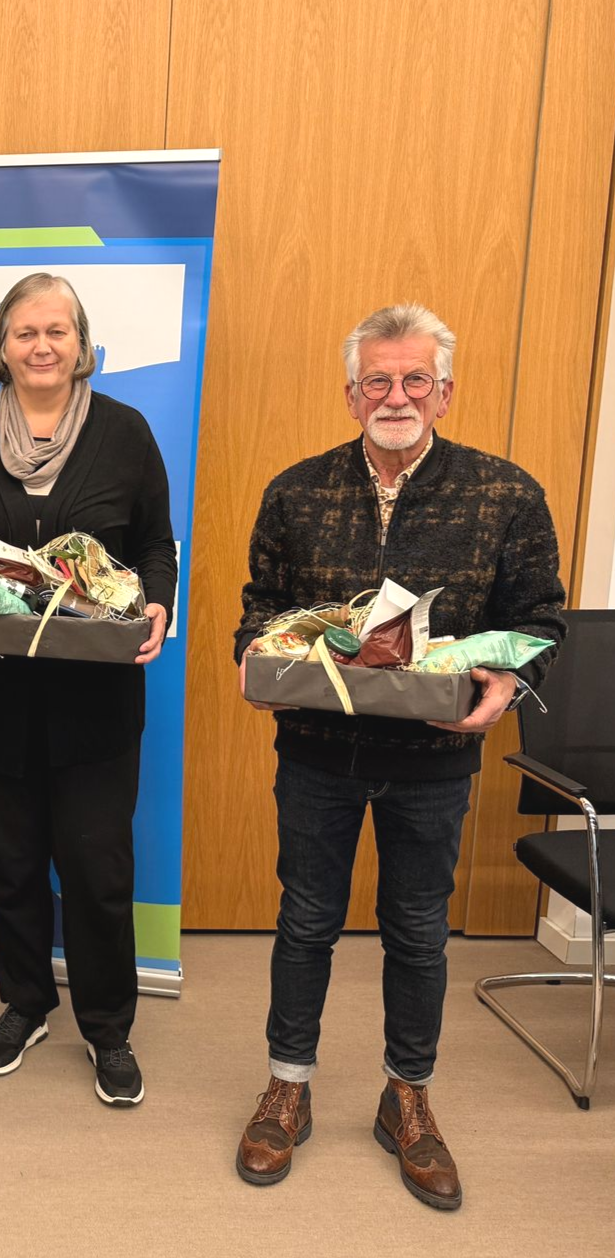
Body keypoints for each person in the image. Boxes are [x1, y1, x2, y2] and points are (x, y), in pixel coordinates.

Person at [232, 303, 565, 1210]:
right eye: (375, 380)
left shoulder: (505, 494)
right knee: (305, 919)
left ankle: (406, 1096)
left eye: (414, 379)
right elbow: (258, 606)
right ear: (350, 394)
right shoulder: (295, 491)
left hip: (432, 758)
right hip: (315, 749)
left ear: (443, 392)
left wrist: (507, 684)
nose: (395, 396)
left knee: (417, 930)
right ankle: (287, 1085)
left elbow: (539, 620)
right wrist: (252, 658)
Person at [0, 272, 176, 1105]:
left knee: (97, 867)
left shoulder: (124, 433)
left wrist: (159, 600)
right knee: (12, 862)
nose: (42, 346)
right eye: (24, 332)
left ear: (81, 343)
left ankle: (107, 1026)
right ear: (0, 346)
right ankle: (24, 1004)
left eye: (57, 330)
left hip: (93, 701)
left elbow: (155, 544)